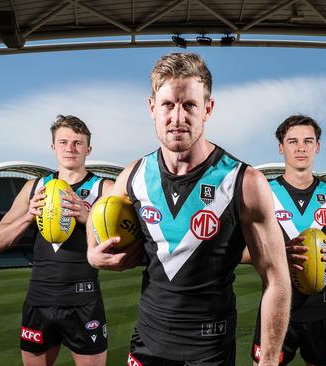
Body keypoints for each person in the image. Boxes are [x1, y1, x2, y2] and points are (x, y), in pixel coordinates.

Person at [86, 52, 292, 366]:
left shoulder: (245, 182)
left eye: (189, 105)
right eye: (168, 104)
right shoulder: (134, 175)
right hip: (146, 345)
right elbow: (101, 213)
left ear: (208, 109)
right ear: (152, 107)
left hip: (209, 352)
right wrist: (92, 252)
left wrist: (267, 361)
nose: (178, 118)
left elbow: (277, 280)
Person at [0, 115, 112, 366]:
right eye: (64, 142)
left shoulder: (104, 189)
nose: (70, 148)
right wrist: (29, 215)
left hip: (84, 299)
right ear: (53, 147)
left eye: (78, 143)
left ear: (88, 149)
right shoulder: (34, 187)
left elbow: (121, 243)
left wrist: (86, 216)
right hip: (40, 298)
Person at [246, 115, 326, 366]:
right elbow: (241, 251)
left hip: (323, 309)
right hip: (276, 306)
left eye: (308, 141)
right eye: (292, 141)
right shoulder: (263, 193)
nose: (301, 148)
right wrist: (276, 254)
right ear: (281, 147)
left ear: (317, 146)